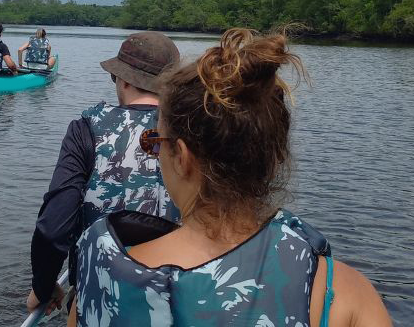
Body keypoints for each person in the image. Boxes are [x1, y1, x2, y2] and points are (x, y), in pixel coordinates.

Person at [70, 28, 393, 327]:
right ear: (275, 156)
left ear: (181, 158)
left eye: (156, 142)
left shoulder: (99, 272)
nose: (156, 153)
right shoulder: (344, 294)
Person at [25, 32, 182, 315]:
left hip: (101, 296)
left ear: (121, 79)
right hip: (183, 295)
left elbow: (53, 228)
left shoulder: (86, 129)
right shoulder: (198, 131)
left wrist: (43, 286)